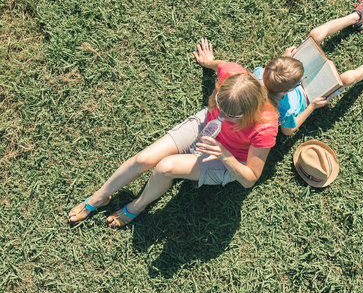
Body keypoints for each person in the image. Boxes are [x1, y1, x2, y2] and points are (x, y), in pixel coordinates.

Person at [68, 42, 278, 228]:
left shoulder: (265, 126)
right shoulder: (233, 75)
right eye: (218, 105)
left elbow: (250, 179)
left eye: (230, 115)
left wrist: (224, 154)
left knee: (165, 167)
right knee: (144, 158)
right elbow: (221, 66)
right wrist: (209, 62)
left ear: (248, 112)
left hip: (226, 158)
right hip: (205, 125)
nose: (221, 115)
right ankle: (99, 197)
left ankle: (136, 206)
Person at [253, 0, 363, 135]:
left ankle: (356, 17)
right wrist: (312, 107)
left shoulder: (260, 74)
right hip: (310, 96)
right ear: (288, 90)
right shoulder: (283, 112)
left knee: (315, 34)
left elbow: (269, 71)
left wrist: (285, 58)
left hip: (285, 75)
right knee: (348, 78)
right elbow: (288, 131)